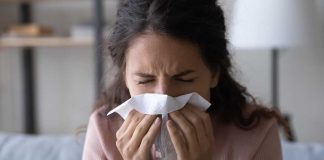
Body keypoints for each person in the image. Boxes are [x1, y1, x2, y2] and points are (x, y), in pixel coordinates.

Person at [82, 0, 284, 159]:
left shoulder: (257, 132)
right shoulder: (104, 130)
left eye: (184, 79)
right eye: (145, 80)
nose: (164, 96)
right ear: (125, 76)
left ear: (214, 73)